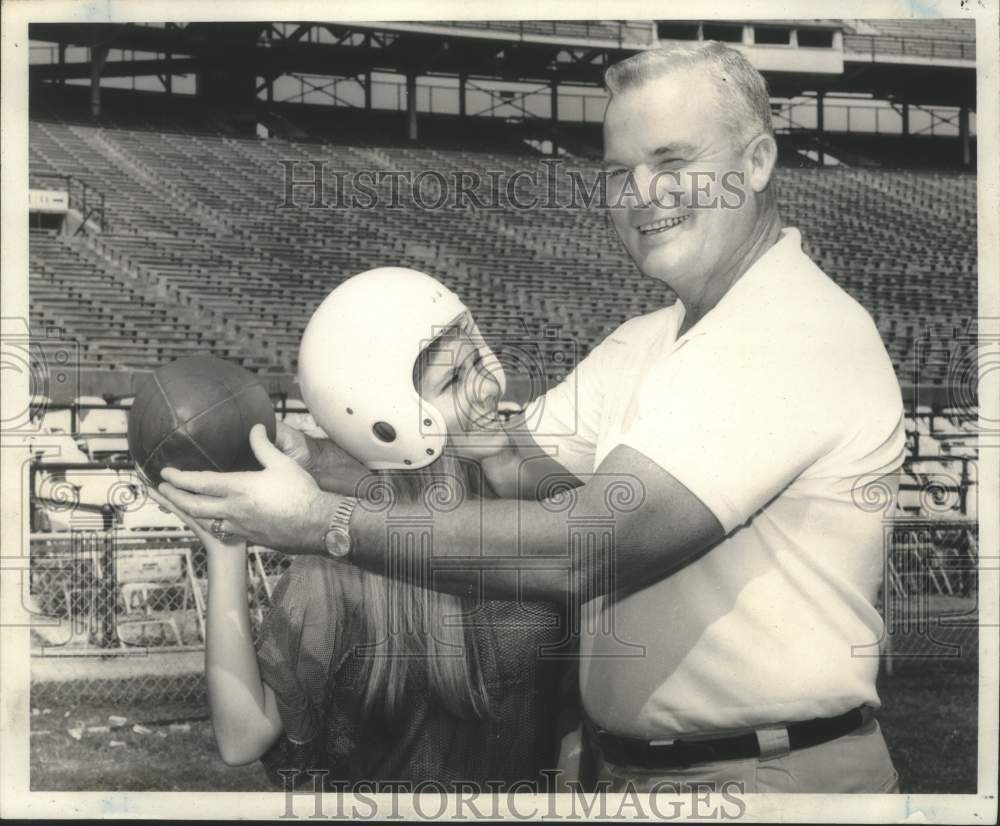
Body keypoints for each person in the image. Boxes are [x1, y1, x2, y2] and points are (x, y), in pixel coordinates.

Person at [158, 42, 906, 794]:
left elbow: (587, 548)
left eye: (673, 161)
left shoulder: (792, 329)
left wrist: (323, 520)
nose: (642, 193)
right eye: (619, 171)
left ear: (756, 162)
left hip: (766, 776)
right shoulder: (645, 342)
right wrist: (304, 452)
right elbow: (476, 455)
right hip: (642, 773)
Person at [153, 268, 572, 791]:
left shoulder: (344, 553)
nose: (490, 385)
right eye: (455, 380)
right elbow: (242, 737)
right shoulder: (342, 563)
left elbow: (243, 737)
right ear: (391, 418)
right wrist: (225, 545)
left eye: (478, 360)